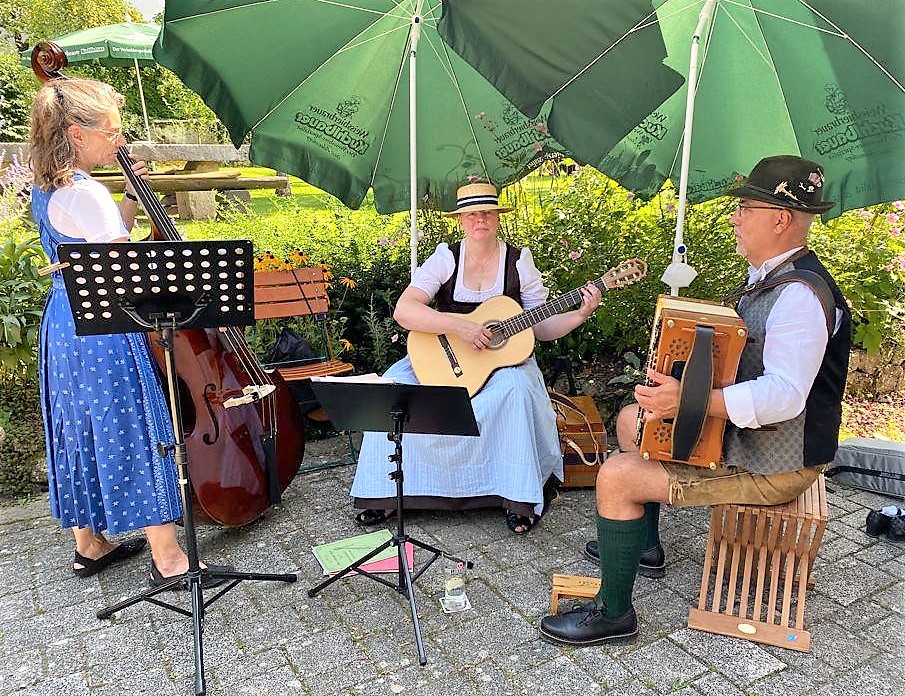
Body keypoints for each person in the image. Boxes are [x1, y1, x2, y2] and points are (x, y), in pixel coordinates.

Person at [539, 155, 851, 645]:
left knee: (616, 476)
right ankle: (643, 547)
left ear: (781, 219)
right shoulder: (775, 277)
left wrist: (691, 399)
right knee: (629, 423)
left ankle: (614, 613)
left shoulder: (799, 297)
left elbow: (785, 397)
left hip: (778, 465)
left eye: (745, 208)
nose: (734, 218)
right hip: (758, 443)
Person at [30, 78, 230, 589]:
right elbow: (130, 270)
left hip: (66, 322)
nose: (118, 142)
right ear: (76, 133)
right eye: (112, 132)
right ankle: (168, 556)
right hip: (103, 332)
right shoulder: (86, 191)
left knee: (81, 427)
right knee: (131, 426)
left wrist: (131, 204)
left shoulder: (50, 185)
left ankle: (89, 545)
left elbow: (94, 244)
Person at [350, 182, 601, 534]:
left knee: (514, 392)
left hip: (502, 364)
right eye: (472, 214)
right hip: (442, 355)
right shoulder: (445, 257)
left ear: (497, 218)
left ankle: (516, 496)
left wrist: (579, 315)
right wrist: (458, 327)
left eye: (486, 212)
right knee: (396, 389)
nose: (480, 219)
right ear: (461, 221)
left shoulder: (518, 261)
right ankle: (386, 494)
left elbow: (541, 326)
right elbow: (404, 311)